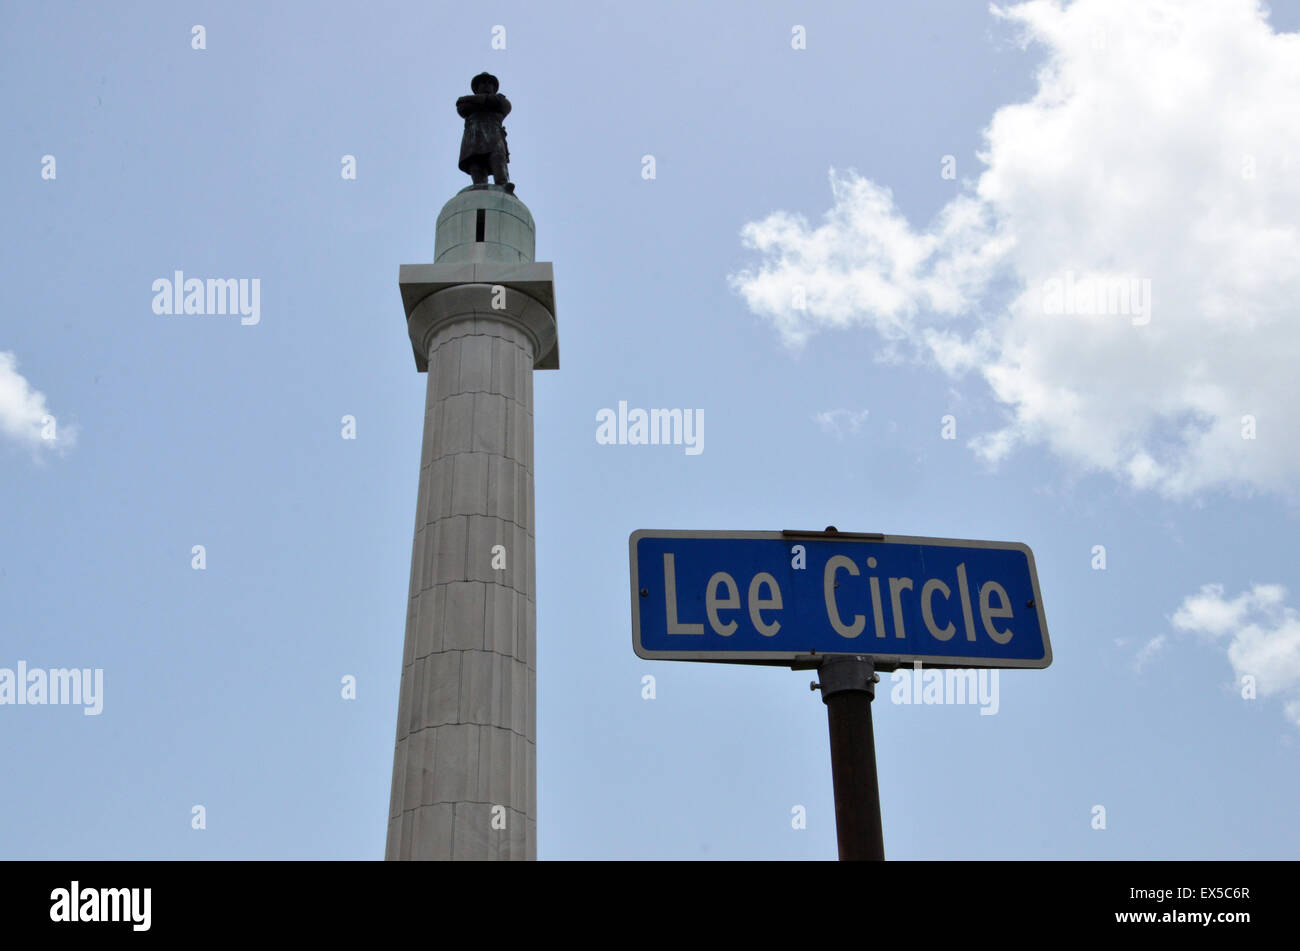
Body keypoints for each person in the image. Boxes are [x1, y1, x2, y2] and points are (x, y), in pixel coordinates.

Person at [457, 72, 513, 191]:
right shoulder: (495, 101)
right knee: (476, 164)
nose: (486, 85)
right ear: (476, 87)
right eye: (482, 83)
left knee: (497, 159)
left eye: (489, 83)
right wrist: (486, 102)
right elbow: (461, 107)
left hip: (494, 136)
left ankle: (503, 186)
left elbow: (503, 105)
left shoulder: (501, 100)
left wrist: (473, 101)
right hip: (473, 137)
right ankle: (479, 188)